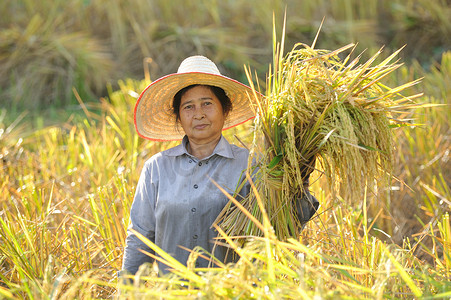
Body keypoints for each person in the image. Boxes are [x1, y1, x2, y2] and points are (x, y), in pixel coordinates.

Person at [121, 55, 318, 277]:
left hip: (233, 292)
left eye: (207, 103)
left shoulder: (251, 165)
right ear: (178, 116)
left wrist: (299, 175)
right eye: (188, 106)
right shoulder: (156, 169)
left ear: (225, 110)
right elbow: (140, 236)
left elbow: (283, 227)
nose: (199, 114)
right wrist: (126, 288)